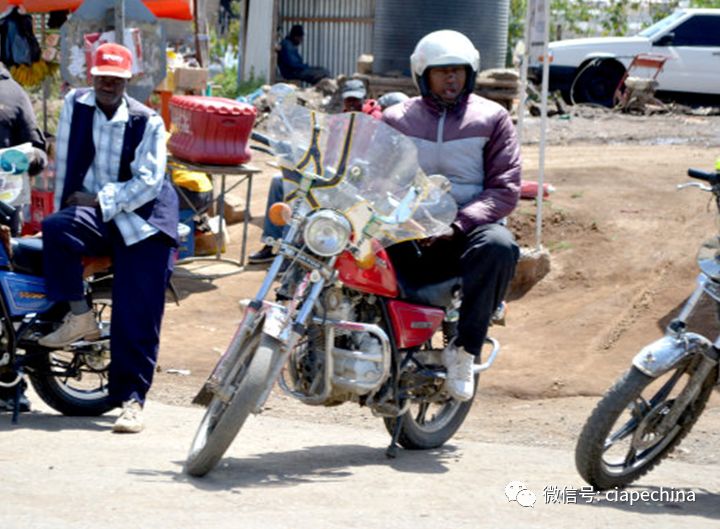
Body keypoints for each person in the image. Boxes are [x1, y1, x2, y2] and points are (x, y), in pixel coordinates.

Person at [37, 43, 178, 433]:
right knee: (55, 229)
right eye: (102, 76)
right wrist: (63, 209)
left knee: (138, 310)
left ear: (127, 81)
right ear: (91, 75)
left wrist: (100, 199)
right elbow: (64, 164)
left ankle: (133, 401)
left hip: (144, 221)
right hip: (99, 212)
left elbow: (148, 184)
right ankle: (80, 316)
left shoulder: (147, 121)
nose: (107, 84)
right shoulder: (74, 106)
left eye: (116, 79)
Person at [382, 30, 521, 402]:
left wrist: (458, 224)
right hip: (406, 230)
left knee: (499, 244)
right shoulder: (396, 118)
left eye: (458, 70)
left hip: (462, 233)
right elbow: (376, 175)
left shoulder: (493, 118)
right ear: (422, 75)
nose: (451, 78)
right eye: (441, 71)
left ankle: (464, 352)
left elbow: (504, 189)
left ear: (470, 73)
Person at [247, 80, 380, 265]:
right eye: (348, 99)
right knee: (280, 182)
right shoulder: (338, 121)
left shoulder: (374, 121)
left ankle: (289, 258)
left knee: (301, 200)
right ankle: (271, 245)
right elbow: (327, 152)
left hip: (354, 184)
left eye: (356, 100)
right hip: (331, 176)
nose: (352, 104)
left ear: (364, 98)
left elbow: (374, 158)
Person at [0, 59, 47, 413]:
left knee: (4, 311)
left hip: (2, 216)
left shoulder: (13, 94)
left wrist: (13, 161)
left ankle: (12, 388)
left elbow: (39, 153)